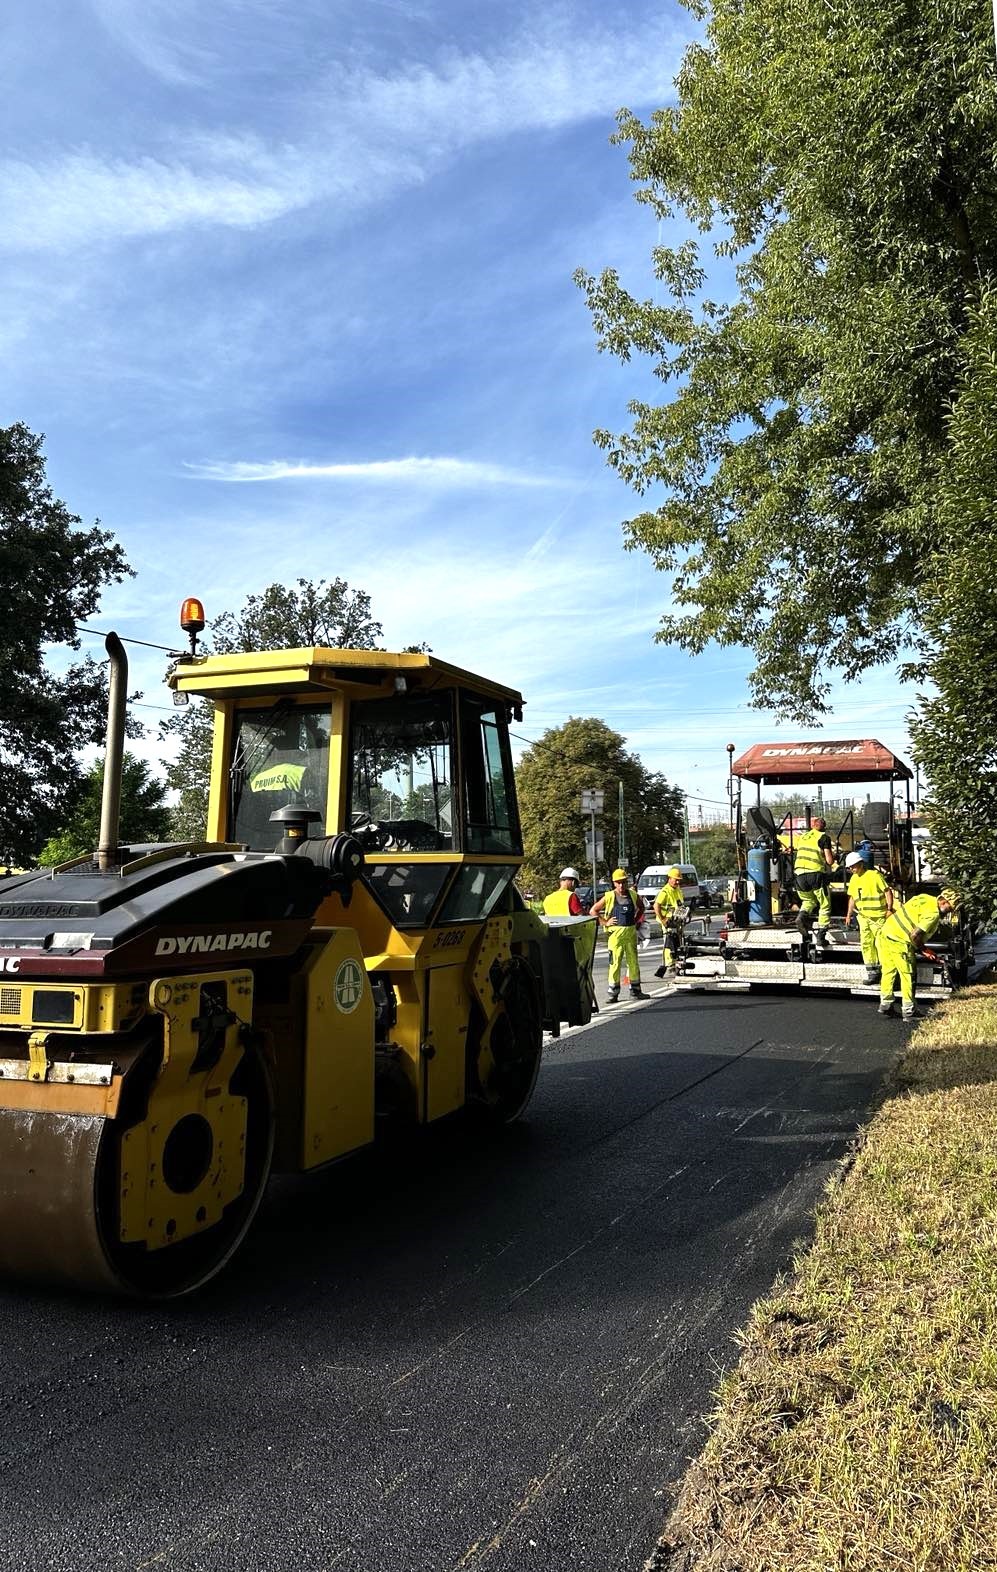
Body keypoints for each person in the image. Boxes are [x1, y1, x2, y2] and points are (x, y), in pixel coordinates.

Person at [876, 887, 960, 1021]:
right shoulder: (933, 914)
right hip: (900, 940)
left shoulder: (924, 897)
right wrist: (925, 950)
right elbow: (914, 935)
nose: (949, 912)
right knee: (907, 975)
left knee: (888, 972)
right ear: (944, 902)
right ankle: (909, 1011)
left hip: (886, 933)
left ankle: (886, 1005)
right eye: (950, 908)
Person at [590, 869, 645, 1002]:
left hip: (630, 934)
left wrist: (636, 920)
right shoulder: (609, 896)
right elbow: (593, 911)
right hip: (615, 936)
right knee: (614, 964)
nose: (621, 885)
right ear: (614, 883)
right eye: (618, 883)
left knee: (633, 963)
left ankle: (636, 991)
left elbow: (641, 908)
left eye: (624, 882)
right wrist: (605, 922)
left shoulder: (633, 895)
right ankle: (613, 994)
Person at [844, 849, 894, 985]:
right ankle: (873, 973)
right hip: (864, 918)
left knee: (881, 945)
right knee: (867, 945)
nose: (852, 869)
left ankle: (886, 973)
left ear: (861, 864)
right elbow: (853, 898)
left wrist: (889, 909)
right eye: (850, 867)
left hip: (878, 917)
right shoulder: (854, 879)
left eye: (853, 866)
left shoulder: (874, 876)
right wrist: (849, 915)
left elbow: (887, 892)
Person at [791, 815, 836, 943]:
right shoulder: (823, 837)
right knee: (825, 904)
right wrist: (834, 856)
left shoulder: (803, 837)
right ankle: (821, 936)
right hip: (815, 874)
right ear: (824, 828)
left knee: (808, 901)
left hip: (799, 875)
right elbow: (829, 861)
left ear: (812, 826)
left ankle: (801, 917)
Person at [652, 866, 685, 979]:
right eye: (675, 879)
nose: (677, 881)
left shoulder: (677, 889)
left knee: (677, 941)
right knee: (669, 941)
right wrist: (663, 919)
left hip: (677, 920)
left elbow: (679, 904)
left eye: (678, 879)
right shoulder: (665, 891)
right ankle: (670, 964)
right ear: (669, 878)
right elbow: (656, 905)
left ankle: (676, 961)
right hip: (668, 921)